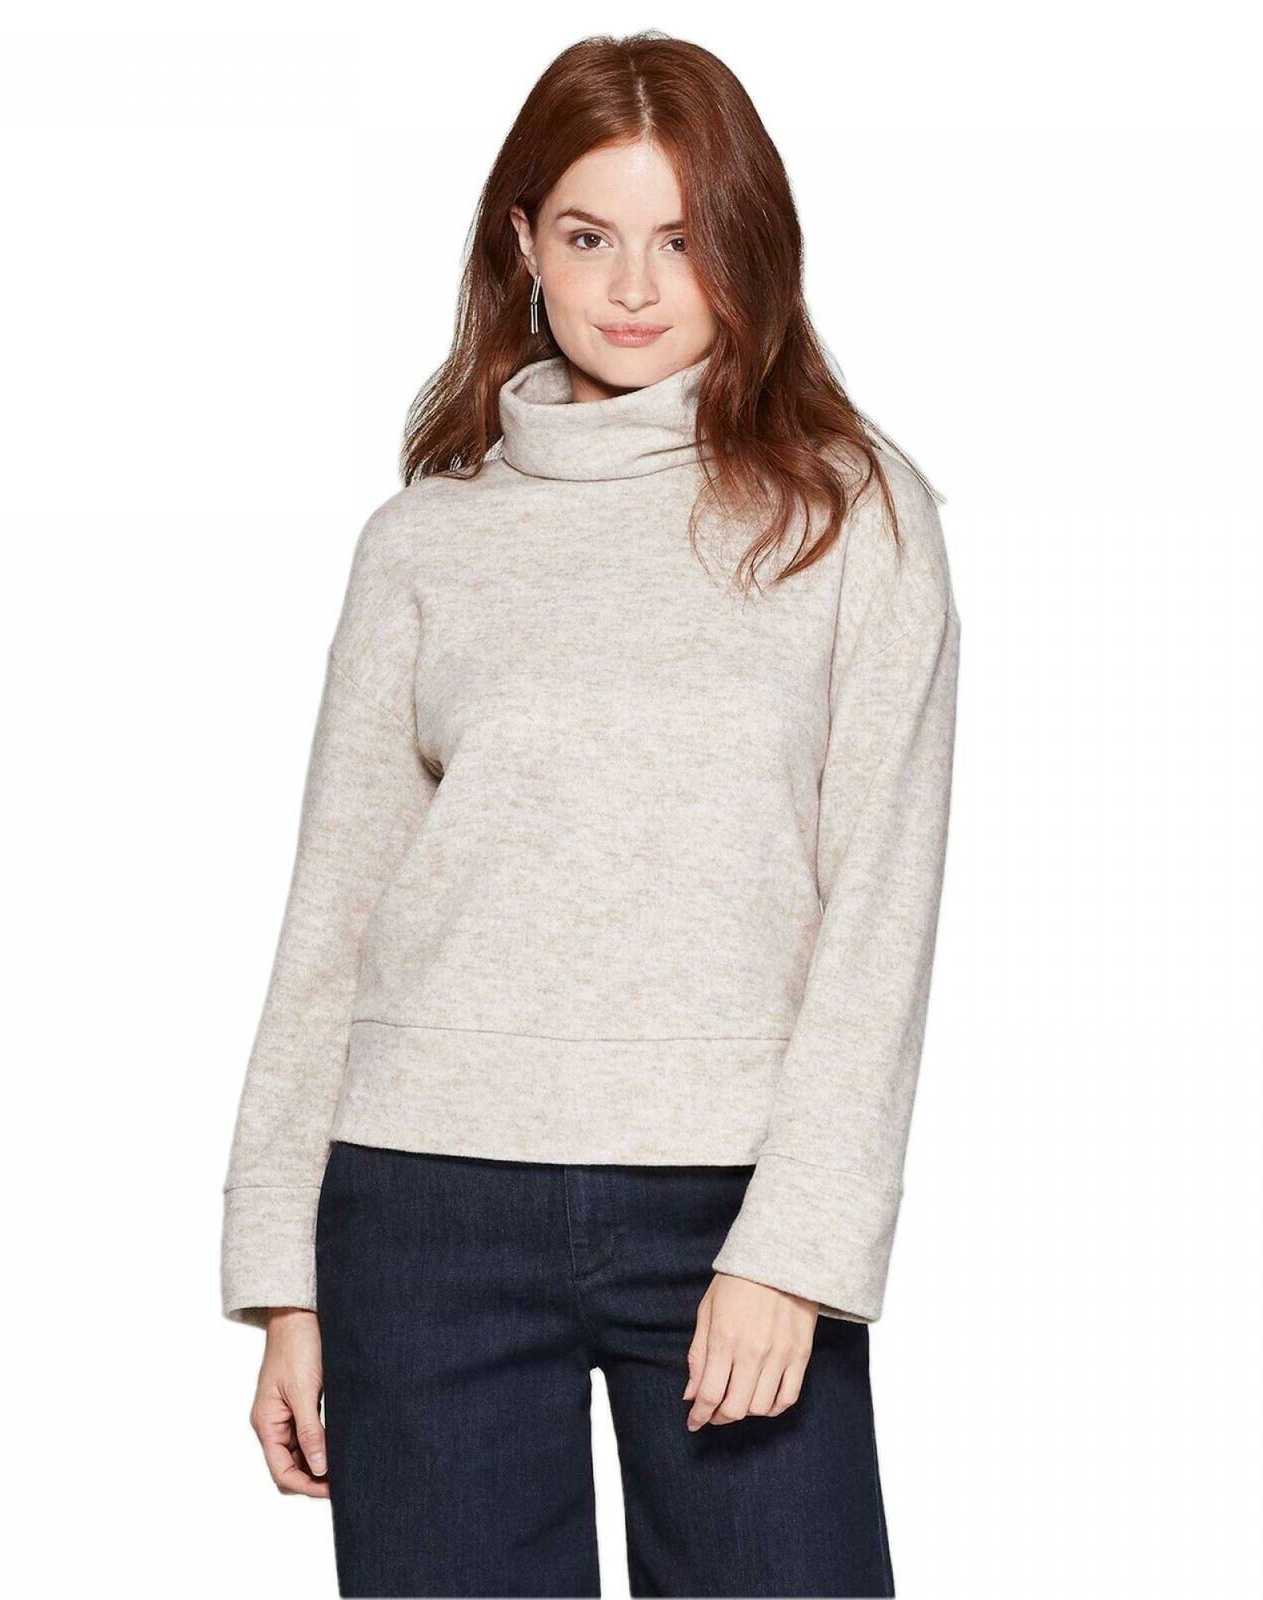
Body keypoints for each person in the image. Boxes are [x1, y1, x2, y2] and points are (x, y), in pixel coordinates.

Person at [220, 30, 961, 1599]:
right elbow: (335, 912)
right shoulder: (425, 541)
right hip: (420, 1207)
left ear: (749, 243)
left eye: (683, 238)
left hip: (728, 1209)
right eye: (588, 235)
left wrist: (795, 1250)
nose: (635, 285)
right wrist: (285, 1277)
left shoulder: (852, 514)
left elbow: (879, 915)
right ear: (523, 246)